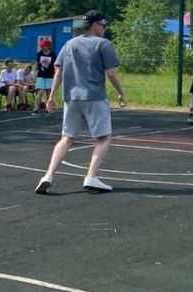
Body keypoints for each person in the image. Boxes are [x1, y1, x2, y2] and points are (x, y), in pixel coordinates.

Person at [34, 10, 127, 194]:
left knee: (67, 138)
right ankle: (91, 176)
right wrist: (121, 94)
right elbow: (111, 73)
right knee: (104, 137)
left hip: (71, 98)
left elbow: (58, 71)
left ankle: (48, 176)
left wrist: (51, 96)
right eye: (104, 25)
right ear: (95, 25)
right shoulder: (103, 44)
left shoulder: (69, 44)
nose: (105, 28)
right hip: (94, 96)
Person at [34, 39, 55, 113]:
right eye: (41, 46)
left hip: (49, 75)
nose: (42, 47)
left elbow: (54, 65)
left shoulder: (52, 55)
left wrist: (55, 74)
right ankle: (36, 108)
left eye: (43, 46)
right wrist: (35, 74)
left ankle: (48, 108)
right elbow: (37, 64)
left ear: (48, 46)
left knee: (49, 92)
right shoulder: (40, 53)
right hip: (41, 75)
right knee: (40, 91)